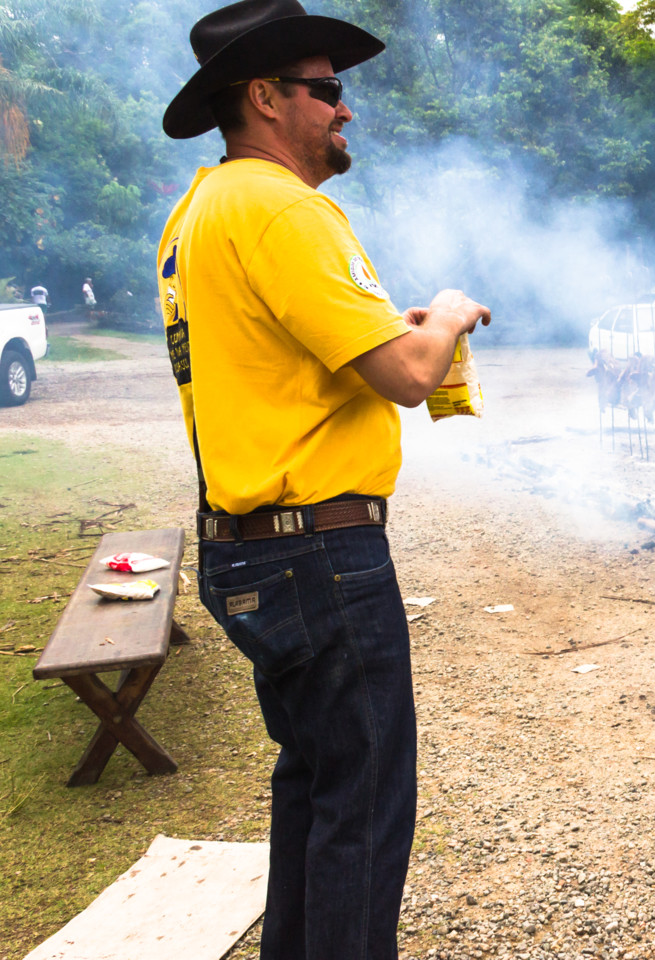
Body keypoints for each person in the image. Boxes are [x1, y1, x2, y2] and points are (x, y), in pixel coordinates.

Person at [156, 2, 490, 957]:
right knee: (367, 804)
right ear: (264, 97)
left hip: (251, 550)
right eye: (327, 89)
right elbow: (407, 374)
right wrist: (452, 316)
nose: (346, 110)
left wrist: (405, 329)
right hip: (321, 556)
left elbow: (300, 358)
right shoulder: (283, 207)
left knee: (315, 784)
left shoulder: (200, 212)